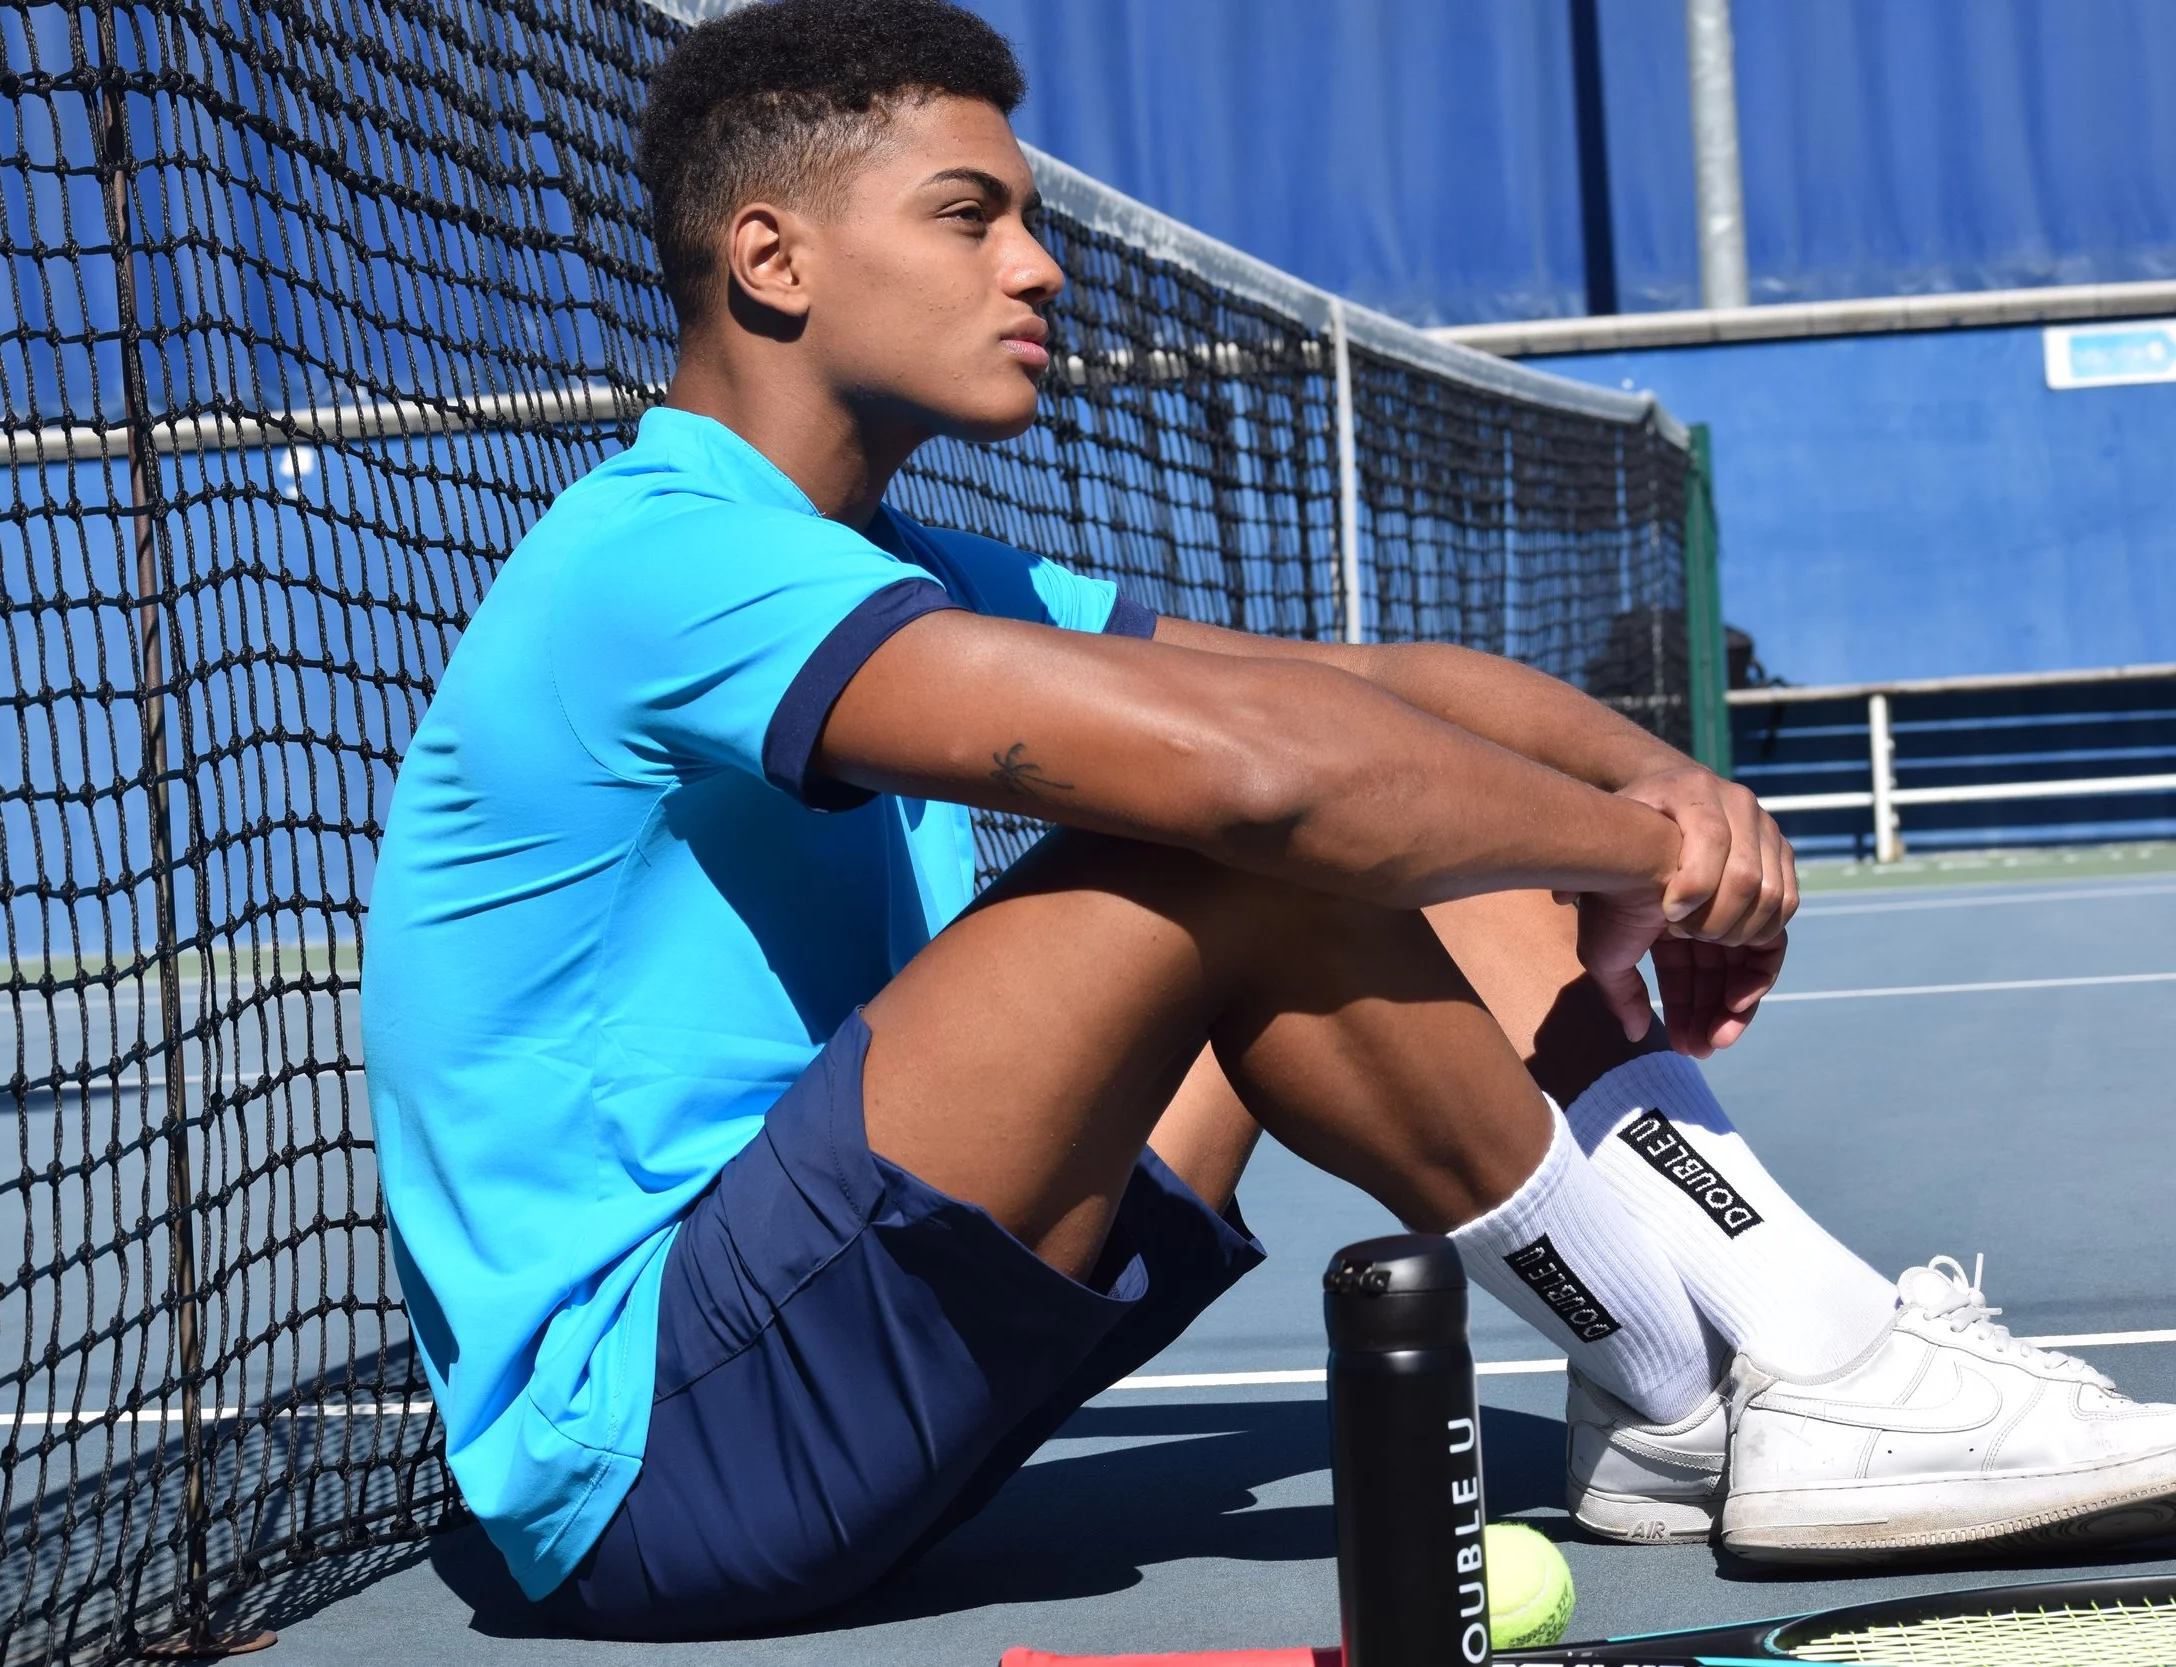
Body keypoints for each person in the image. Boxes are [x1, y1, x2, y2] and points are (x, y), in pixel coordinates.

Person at [361, 0, 2176, 1638]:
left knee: (1392, 815)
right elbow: (1260, 779)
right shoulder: (660, 560)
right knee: (1233, 845)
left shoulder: (889, 562)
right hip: (660, 1455)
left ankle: (1677, 1396)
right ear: (770, 257)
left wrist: (1662, 794)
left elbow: (1364, 689)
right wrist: (1635, 858)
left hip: (832, 1356)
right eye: (969, 214)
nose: (1042, 267)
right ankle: (1822, 1357)